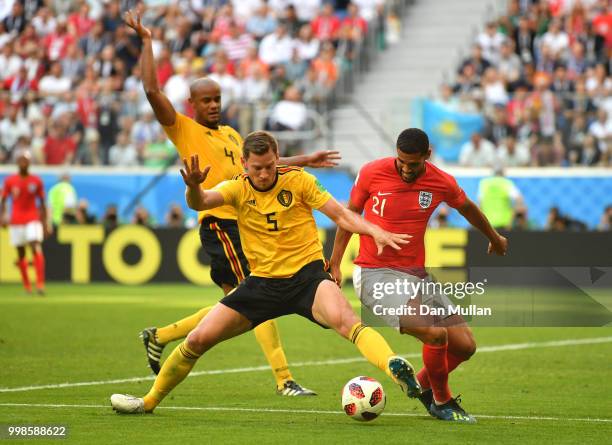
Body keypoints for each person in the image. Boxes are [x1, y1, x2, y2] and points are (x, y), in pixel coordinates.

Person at [110, 131, 421, 414]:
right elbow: (200, 202)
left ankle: (394, 366)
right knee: (197, 339)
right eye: (256, 167)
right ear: (244, 163)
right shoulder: (236, 187)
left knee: (349, 323)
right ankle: (148, 402)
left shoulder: (300, 181)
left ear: (277, 159)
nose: (262, 173)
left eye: (269, 166)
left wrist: (374, 231)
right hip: (261, 285)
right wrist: (193, 186)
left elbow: (342, 215)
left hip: (307, 278)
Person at [125, 11, 341, 397]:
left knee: (240, 304)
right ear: (191, 103)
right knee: (255, 294)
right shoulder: (183, 127)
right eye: (206, 100)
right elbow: (153, 93)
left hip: (244, 224)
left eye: (217, 99)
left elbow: (260, 168)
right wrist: (146, 42)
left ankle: (159, 335)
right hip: (220, 222)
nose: (213, 105)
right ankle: (284, 379)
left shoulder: (230, 133)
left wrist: (303, 160)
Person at [329, 128, 508, 423]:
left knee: (465, 346)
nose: (405, 169)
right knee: (434, 334)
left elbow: (467, 208)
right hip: (376, 274)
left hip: (416, 276)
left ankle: (421, 384)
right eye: (401, 161)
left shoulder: (440, 180)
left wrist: (494, 237)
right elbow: (349, 217)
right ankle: (442, 401)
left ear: (427, 155)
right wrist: (335, 263)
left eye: (412, 164)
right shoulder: (372, 172)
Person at [0, 150, 48, 295]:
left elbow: (43, 203)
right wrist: (2, 217)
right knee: (21, 253)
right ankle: (27, 286)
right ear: (17, 162)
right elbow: (3, 200)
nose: (23, 163)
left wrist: (45, 223)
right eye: (21, 160)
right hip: (16, 221)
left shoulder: (36, 181)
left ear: (29, 162)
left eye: (25, 160)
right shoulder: (10, 181)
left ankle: (40, 284)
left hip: (32, 218)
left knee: (35, 245)